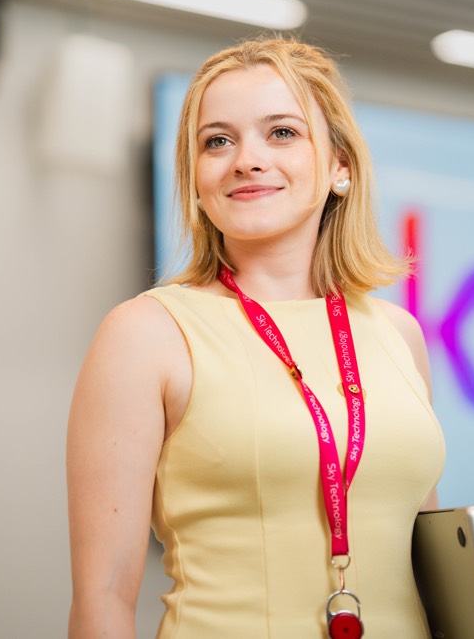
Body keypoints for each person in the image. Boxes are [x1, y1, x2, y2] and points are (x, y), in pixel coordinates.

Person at [66, 37, 445, 639]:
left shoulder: (399, 334)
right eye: (217, 141)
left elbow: (428, 562)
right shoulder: (146, 334)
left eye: (282, 133)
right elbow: (102, 600)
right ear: (196, 177)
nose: (246, 159)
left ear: (340, 165)